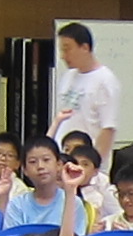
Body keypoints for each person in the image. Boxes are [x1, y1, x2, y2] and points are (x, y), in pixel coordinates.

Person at [49, 20, 122, 153]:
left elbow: (108, 129)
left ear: (85, 48)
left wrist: (95, 164)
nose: (63, 56)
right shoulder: (68, 76)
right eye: (61, 50)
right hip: (62, 155)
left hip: (86, 159)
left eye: (67, 49)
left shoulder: (105, 80)